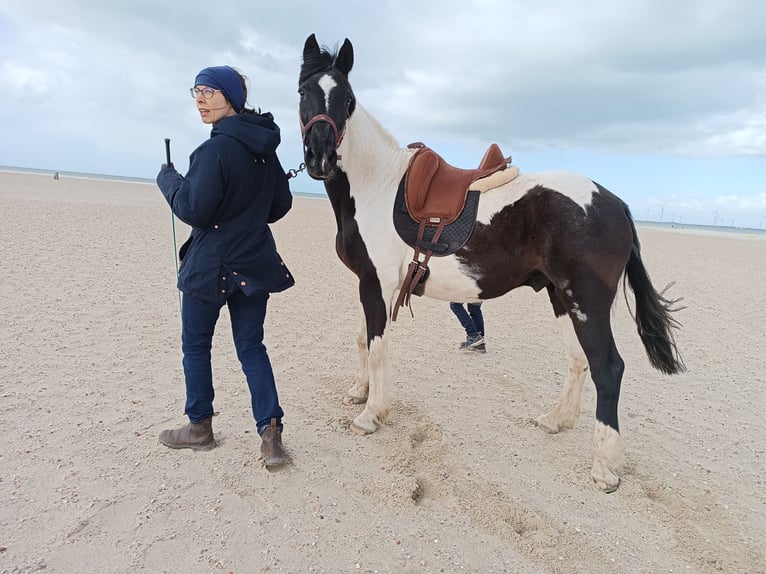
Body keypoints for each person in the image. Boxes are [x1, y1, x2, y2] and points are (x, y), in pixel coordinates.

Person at [156, 65, 294, 468]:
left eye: (209, 91)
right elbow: (280, 206)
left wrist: (169, 180)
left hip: (211, 264)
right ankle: (270, 435)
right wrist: (247, 210)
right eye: (196, 91)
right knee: (251, 347)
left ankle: (199, 428)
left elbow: (192, 209)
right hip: (253, 261)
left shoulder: (212, 151)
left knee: (196, 346)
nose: (200, 98)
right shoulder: (265, 150)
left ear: (231, 97)